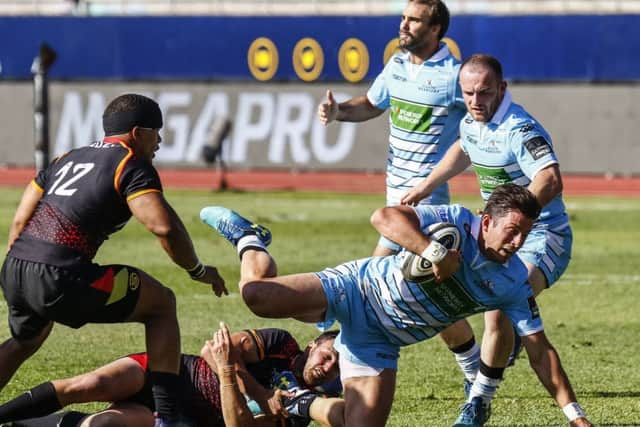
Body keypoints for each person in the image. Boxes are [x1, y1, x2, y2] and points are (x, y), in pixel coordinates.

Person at [199, 184, 592, 427]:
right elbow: (384, 217)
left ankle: (304, 405)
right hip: (356, 289)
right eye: (513, 231)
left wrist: (574, 415)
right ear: (486, 221)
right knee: (257, 297)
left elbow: (541, 352)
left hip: (379, 341)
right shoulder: (455, 222)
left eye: (526, 234)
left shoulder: (512, 283)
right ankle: (249, 238)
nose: (519, 243)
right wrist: (434, 251)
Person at [0, 94, 227, 427]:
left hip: (15, 267)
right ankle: (167, 417)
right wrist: (197, 269)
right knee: (162, 304)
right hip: (60, 275)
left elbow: (20, 221)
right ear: (137, 133)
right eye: (156, 132)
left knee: (26, 340)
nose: (159, 141)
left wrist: (25, 269)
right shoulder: (131, 163)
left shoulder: (67, 157)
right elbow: (163, 227)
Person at [401, 53, 574, 409]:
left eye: (484, 93)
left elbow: (550, 178)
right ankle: (488, 359)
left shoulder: (519, 128)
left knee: (499, 303)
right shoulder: (471, 121)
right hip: (495, 238)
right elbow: (464, 148)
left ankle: (479, 398)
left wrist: (516, 220)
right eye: (467, 94)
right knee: (438, 287)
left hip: (543, 235)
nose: (475, 102)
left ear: (502, 89)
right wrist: (424, 185)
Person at [317, 0, 466, 257]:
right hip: (395, 194)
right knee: (400, 286)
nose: (403, 25)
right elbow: (372, 104)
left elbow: (486, 116)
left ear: (435, 29)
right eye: (403, 18)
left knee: (374, 279)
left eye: (414, 20)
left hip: (425, 201)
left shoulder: (454, 75)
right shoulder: (396, 65)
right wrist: (338, 111)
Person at [0, 322, 343, 427]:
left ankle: (24, 425)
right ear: (313, 345)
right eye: (327, 355)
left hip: (187, 417)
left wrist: (231, 371)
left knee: (101, 426)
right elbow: (212, 350)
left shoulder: (302, 409)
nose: (326, 367)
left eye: (336, 367)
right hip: (173, 371)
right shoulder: (281, 343)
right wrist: (259, 393)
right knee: (86, 385)